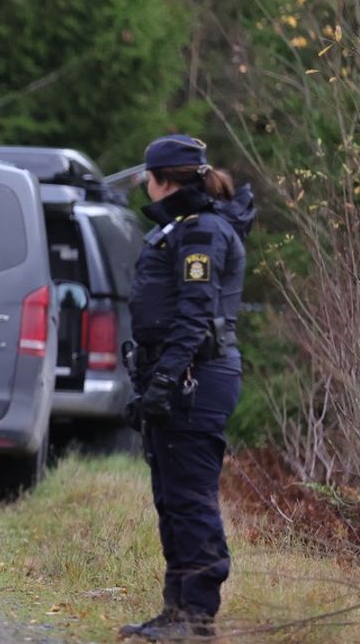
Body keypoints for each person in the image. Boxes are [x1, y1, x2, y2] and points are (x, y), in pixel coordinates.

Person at [119, 135, 255, 640]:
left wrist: (165, 380)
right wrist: (152, 380)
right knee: (171, 498)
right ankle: (176, 611)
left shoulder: (202, 233)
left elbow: (195, 315)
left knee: (191, 499)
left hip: (196, 379)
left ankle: (196, 617)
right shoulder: (182, 228)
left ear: (160, 180)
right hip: (179, 377)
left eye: (147, 180)